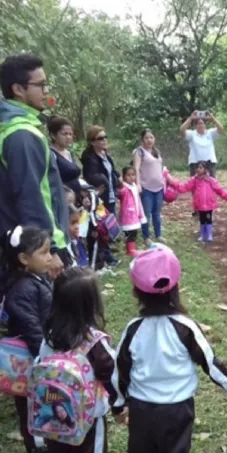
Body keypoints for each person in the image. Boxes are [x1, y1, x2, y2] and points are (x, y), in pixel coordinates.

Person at [111, 245, 227, 453]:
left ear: (136, 292)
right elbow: (210, 364)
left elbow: (120, 369)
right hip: (177, 410)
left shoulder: (133, 329)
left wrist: (118, 405)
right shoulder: (186, 328)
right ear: (176, 287)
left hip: (142, 410)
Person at [0, 54, 69, 280]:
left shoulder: (18, 127)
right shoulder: (21, 135)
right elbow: (32, 198)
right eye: (40, 85)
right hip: (33, 256)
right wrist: (50, 252)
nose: (45, 91)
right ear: (18, 89)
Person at [39, 267, 118, 453]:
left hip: (54, 419)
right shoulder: (95, 343)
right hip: (89, 420)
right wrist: (120, 405)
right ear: (92, 304)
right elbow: (112, 378)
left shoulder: (49, 339)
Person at [0, 226, 53, 453]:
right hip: (33, 362)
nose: (50, 257)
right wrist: (47, 354)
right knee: (33, 407)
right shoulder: (22, 289)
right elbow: (32, 328)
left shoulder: (35, 278)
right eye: (44, 252)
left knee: (42, 404)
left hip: (40, 357)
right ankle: (37, 446)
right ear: (23, 258)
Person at [168, 161, 227, 243]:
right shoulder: (194, 180)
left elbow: (219, 189)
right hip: (200, 204)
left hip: (209, 204)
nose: (198, 169)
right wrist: (173, 183)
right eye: (197, 167)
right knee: (202, 219)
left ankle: (209, 235)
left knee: (208, 219)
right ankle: (203, 234)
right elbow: (184, 187)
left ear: (205, 169)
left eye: (201, 167)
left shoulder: (211, 180)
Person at [132, 129, 165, 246]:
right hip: (146, 187)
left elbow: (160, 168)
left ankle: (158, 234)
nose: (149, 140)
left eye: (151, 137)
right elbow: (136, 168)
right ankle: (146, 237)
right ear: (142, 140)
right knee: (146, 213)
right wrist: (138, 184)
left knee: (157, 212)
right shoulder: (139, 152)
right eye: (146, 138)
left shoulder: (156, 152)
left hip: (159, 187)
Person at [81, 126, 120, 214]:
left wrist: (119, 179)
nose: (104, 140)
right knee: (103, 226)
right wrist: (102, 181)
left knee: (111, 224)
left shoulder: (105, 154)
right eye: (100, 138)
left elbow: (112, 171)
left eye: (105, 137)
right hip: (99, 198)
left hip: (111, 195)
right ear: (92, 142)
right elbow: (91, 177)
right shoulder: (89, 159)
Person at [180, 111, 223, 178]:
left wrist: (212, 118)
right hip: (195, 163)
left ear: (205, 125)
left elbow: (221, 128)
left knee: (211, 184)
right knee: (195, 184)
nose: (201, 125)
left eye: (202, 123)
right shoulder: (192, 134)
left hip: (209, 163)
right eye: (199, 124)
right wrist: (191, 118)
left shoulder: (210, 133)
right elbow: (182, 130)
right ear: (195, 125)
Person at [118, 167, 147, 257]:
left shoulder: (134, 186)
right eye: (128, 175)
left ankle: (131, 248)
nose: (131, 177)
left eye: (133, 175)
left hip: (135, 213)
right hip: (128, 214)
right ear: (124, 177)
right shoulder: (125, 188)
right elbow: (120, 193)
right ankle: (130, 250)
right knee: (130, 233)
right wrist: (121, 184)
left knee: (134, 232)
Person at [48, 116, 80, 194]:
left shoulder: (69, 153)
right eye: (64, 134)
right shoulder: (50, 154)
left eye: (70, 134)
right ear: (53, 135)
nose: (68, 137)